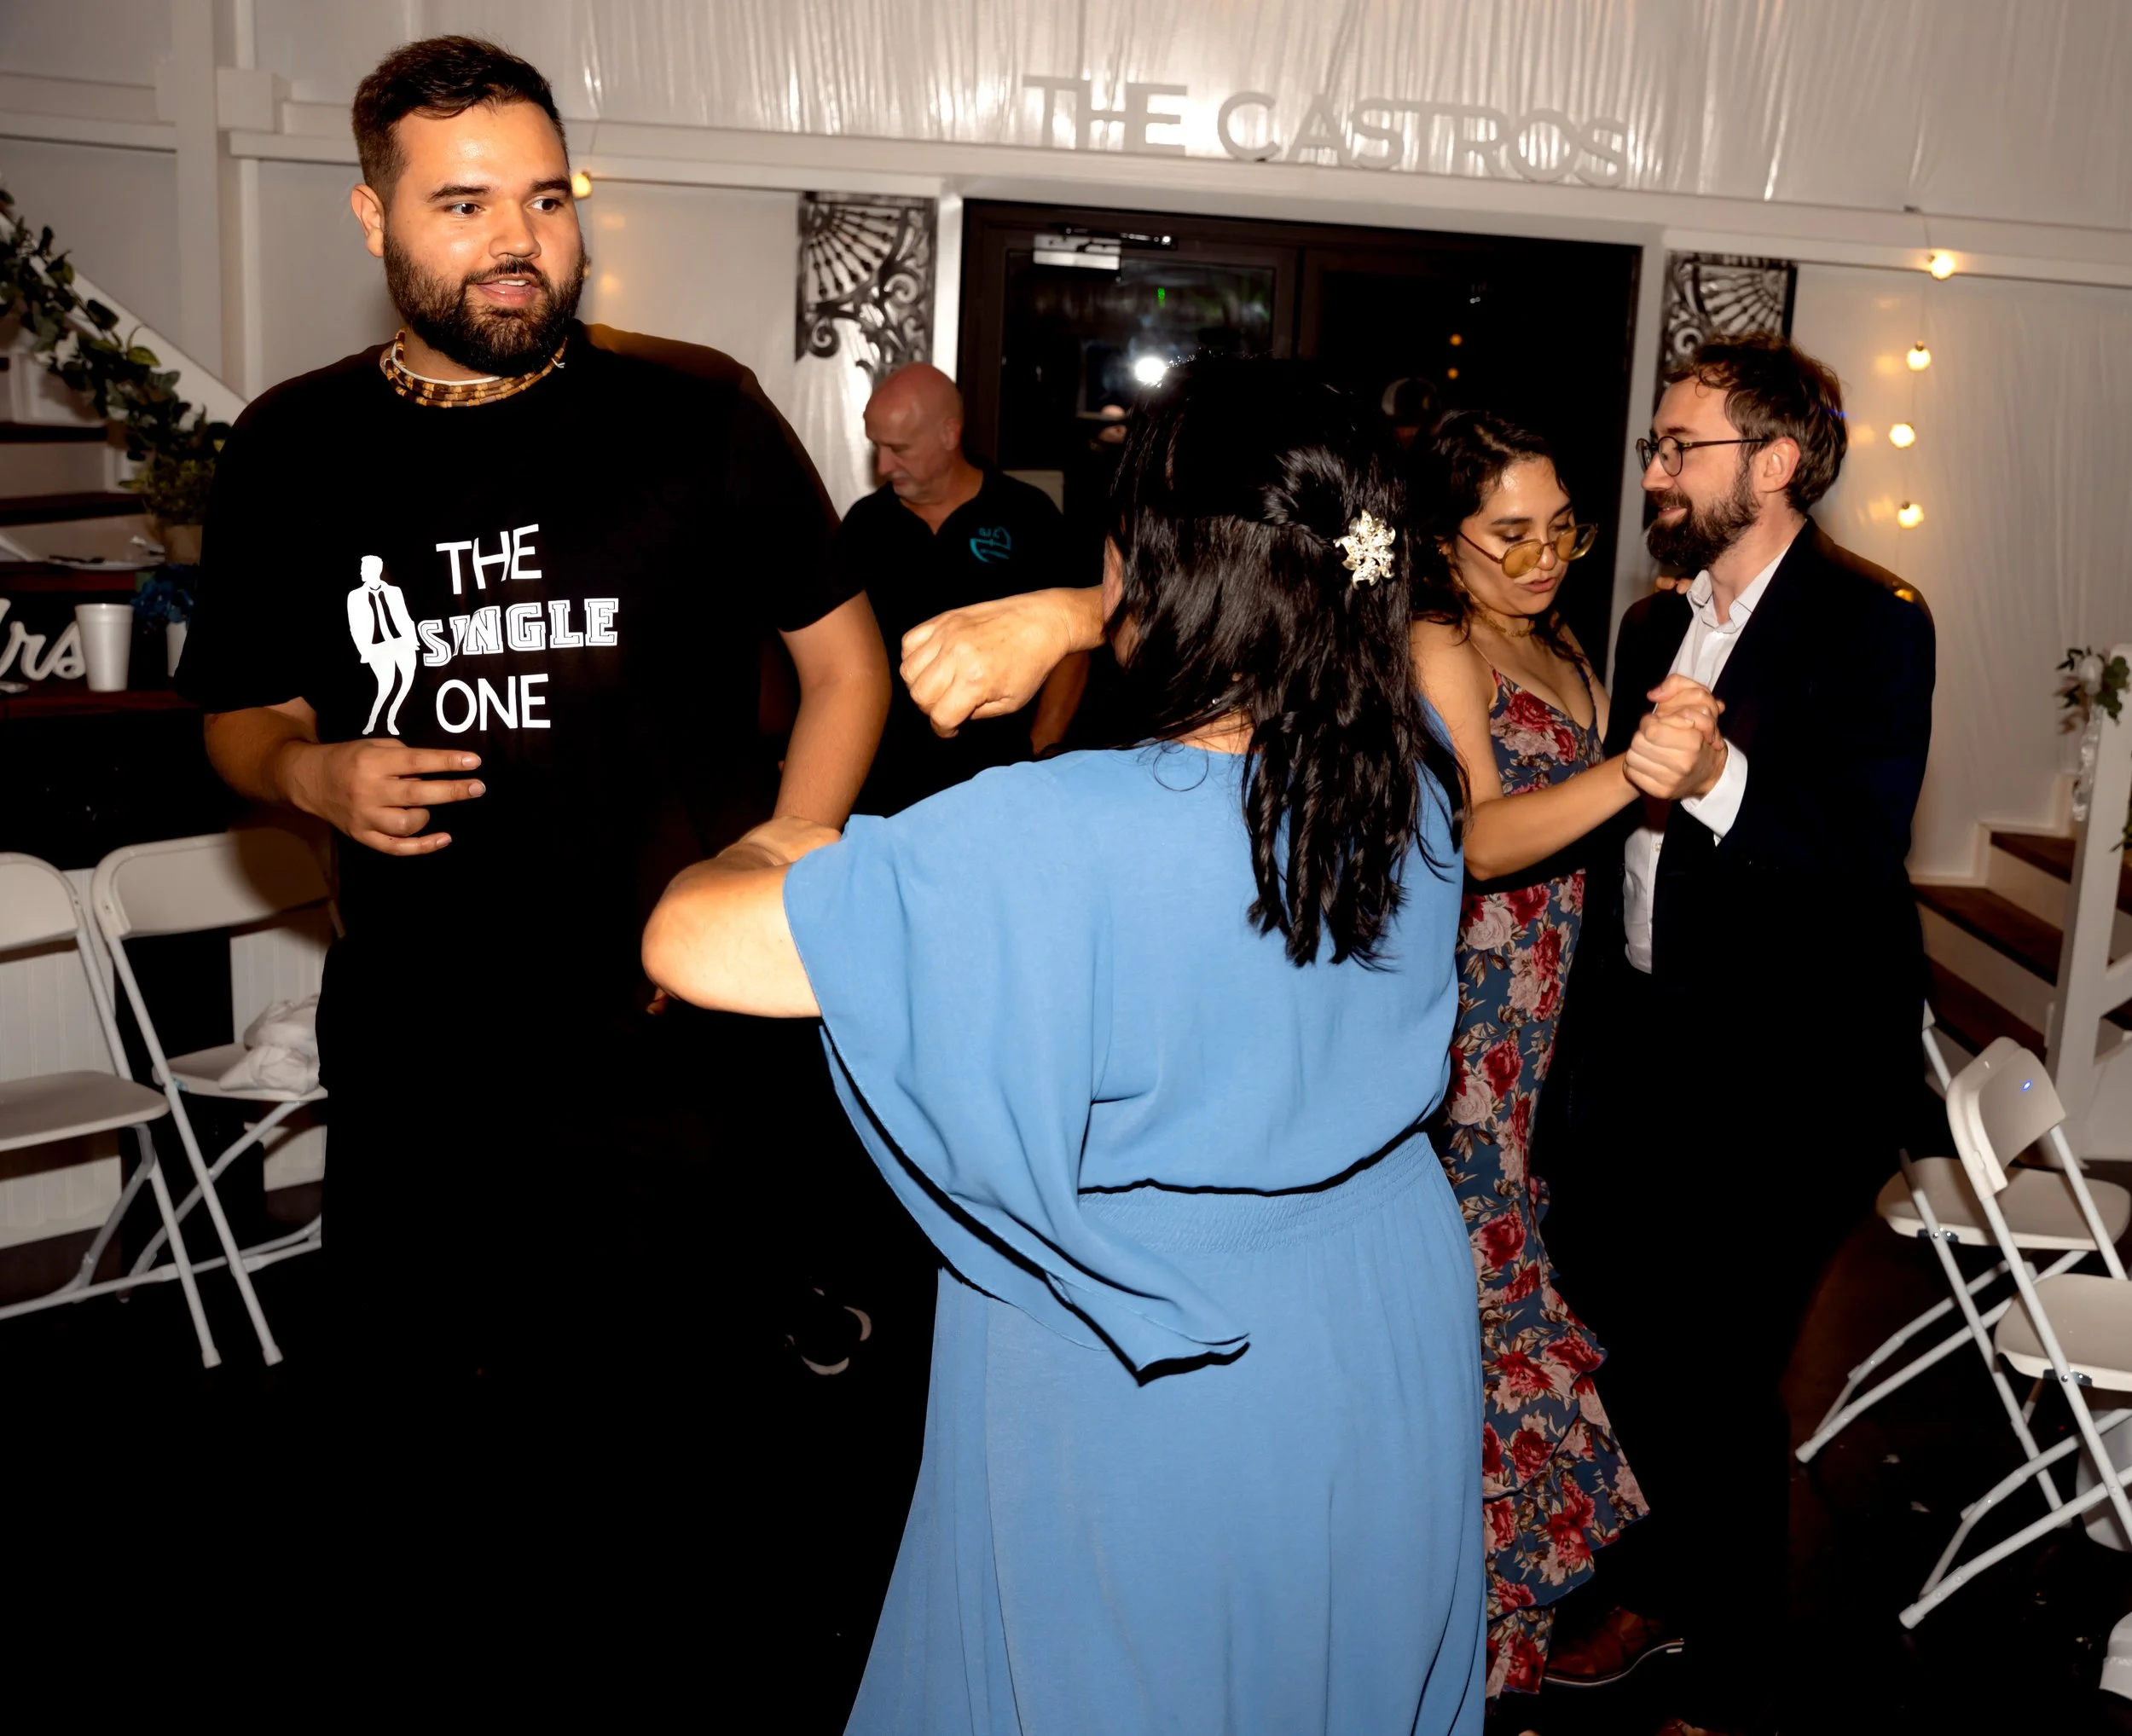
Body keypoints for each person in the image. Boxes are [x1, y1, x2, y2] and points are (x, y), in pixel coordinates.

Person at [644, 357, 1486, 1735]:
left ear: (1144, 572)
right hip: (1382, 1311)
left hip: (1156, 1359)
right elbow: (1338, 634)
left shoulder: (1050, 840)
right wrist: (1088, 612)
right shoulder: (1415, 770)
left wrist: (790, 837)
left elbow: (692, 938)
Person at [176, 36, 889, 1395]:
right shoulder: (290, 448)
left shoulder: (700, 410)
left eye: (547, 200)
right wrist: (310, 773)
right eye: (465, 205)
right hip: (419, 1056)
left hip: (677, 1038)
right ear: (373, 214)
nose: (520, 241)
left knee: (680, 1426)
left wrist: (783, 846)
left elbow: (847, 665)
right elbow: (237, 712)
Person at [1538, 335, 1936, 1736]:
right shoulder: (1652, 625)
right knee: (1638, 1346)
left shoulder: (1874, 622)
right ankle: (1663, 1574)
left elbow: (1855, 851)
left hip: (1795, 1075)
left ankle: (1733, 1664)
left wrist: (1720, 775)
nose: (1652, 471)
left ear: (1778, 462)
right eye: (1654, 444)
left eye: (1679, 446)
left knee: (1709, 1366)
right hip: (1654, 1051)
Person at [1405, 409, 1722, 1701]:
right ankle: (1465, 1648)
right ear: (1444, 538)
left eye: (1560, 530)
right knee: (1487, 1326)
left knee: (1521, 1313)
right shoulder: (1439, 642)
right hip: (1481, 1026)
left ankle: (1499, 1644)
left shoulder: (1557, 636)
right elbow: (1480, 839)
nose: (1543, 559)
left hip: (1559, 1028)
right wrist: (1635, 774)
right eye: (1511, 535)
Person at [838, 362, 1086, 813]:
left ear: (949, 434)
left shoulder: (1027, 513)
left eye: (898, 449)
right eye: (876, 447)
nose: (882, 465)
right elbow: (836, 658)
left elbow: (1074, 648)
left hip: (997, 783)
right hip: (885, 788)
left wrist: (1039, 756)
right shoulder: (863, 525)